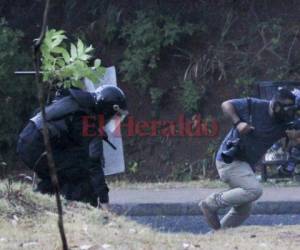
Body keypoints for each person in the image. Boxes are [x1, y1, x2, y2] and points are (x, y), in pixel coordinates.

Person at [199, 87, 298, 230]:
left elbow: (291, 141)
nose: (290, 114)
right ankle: (210, 204)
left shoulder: (286, 123)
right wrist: (238, 122)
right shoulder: (253, 106)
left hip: (245, 165)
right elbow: (226, 104)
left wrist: (295, 138)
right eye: (288, 110)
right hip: (229, 160)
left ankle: (218, 238)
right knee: (254, 190)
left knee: (243, 211)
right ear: (276, 106)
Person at [17, 85, 128, 207]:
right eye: (112, 116)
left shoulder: (75, 100)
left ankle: (36, 202)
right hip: (36, 146)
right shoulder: (84, 118)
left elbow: (39, 113)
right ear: (107, 109)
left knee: (61, 174)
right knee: (80, 175)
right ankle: (86, 212)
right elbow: (92, 161)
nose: (110, 120)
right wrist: (103, 198)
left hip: (27, 139)